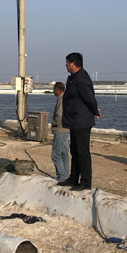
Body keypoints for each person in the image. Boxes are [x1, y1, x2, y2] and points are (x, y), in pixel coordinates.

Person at [58, 52, 100, 191]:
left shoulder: (82, 78)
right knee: (75, 151)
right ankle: (73, 178)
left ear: (73, 64)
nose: (65, 65)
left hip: (82, 121)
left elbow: (90, 98)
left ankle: (86, 182)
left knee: (82, 152)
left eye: (67, 63)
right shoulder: (73, 78)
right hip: (74, 121)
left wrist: (95, 111)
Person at [50, 82, 70, 183]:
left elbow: (59, 116)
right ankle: (66, 175)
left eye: (54, 89)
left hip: (61, 130)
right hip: (67, 130)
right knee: (64, 154)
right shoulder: (66, 98)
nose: (53, 91)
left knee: (56, 155)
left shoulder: (61, 99)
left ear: (58, 90)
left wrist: (53, 124)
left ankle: (62, 176)